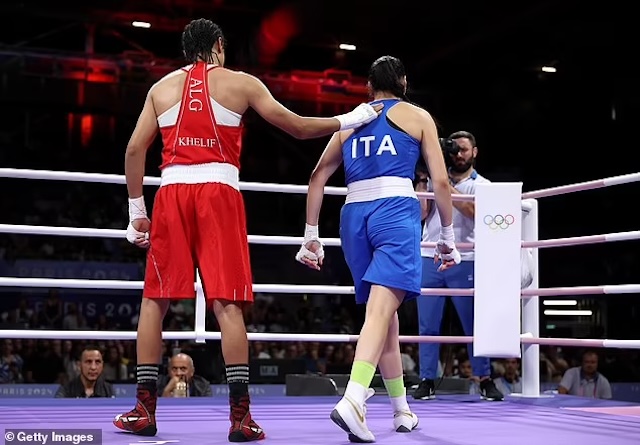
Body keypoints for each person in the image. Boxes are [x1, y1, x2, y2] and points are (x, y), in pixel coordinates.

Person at [113, 18, 382, 443]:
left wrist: (136, 212)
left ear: (187, 50)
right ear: (219, 45)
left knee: (154, 300)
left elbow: (133, 149)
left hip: (171, 193)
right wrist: (350, 118)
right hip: (218, 193)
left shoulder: (159, 89)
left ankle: (144, 411)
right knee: (227, 304)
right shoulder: (240, 83)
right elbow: (296, 125)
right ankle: (240, 418)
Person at [295, 55, 461, 442]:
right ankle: (353, 399)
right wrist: (448, 237)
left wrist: (310, 234)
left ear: (369, 87)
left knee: (384, 316)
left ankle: (402, 410)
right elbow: (440, 181)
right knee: (381, 311)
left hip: (353, 217)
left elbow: (317, 176)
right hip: (394, 212)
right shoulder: (418, 116)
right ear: (402, 81)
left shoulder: (351, 119)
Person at [412, 131, 504, 402]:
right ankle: (427, 379)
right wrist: (423, 180)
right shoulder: (430, 181)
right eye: (454, 150)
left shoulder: (482, 185)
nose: (459, 154)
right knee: (427, 325)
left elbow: (475, 215)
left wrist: (443, 185)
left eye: (464, 149)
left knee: (472, 325)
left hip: (466, 259)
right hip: (430, 255)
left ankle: (484, 379)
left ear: (474, 152)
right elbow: (420, 214)